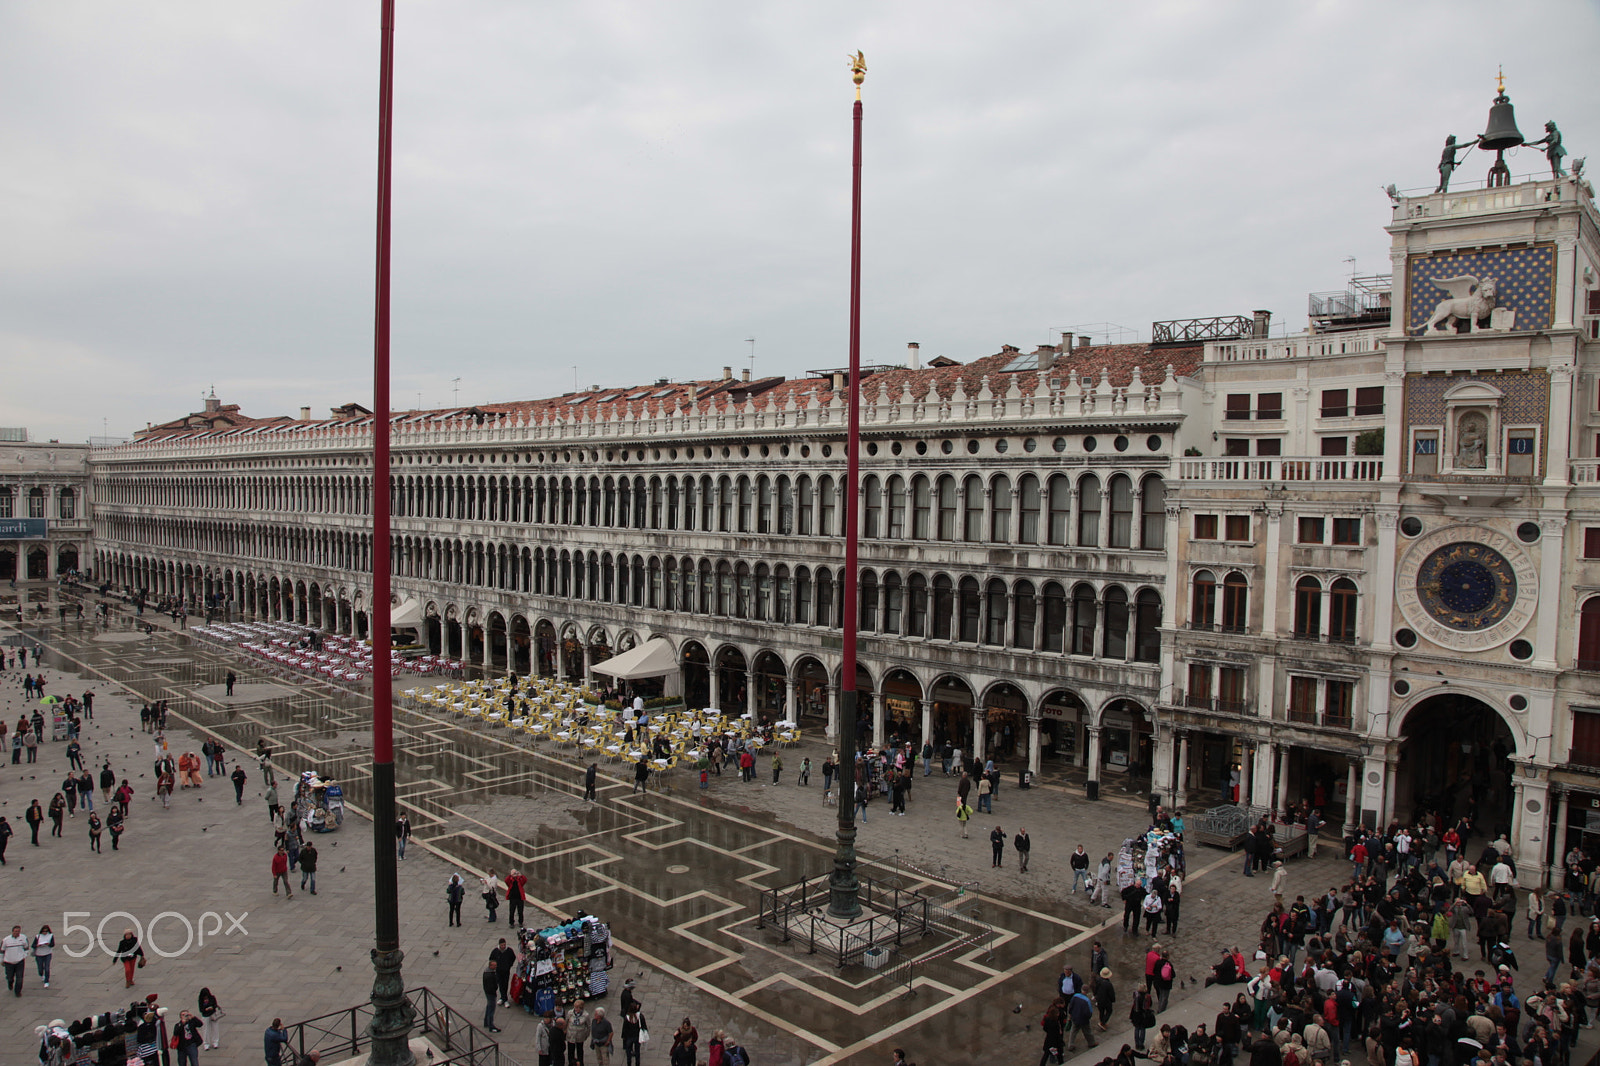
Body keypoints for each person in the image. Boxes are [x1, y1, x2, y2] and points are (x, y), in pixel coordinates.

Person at [2, 925, 27, 997]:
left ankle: (17, 991)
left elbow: (26, 947)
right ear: (12, 931)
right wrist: (2, 960)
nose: (17, 933)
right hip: (9, 962)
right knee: (10, 976)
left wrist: (24, 955)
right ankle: (10, 983)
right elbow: (2, 951)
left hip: (19, 962)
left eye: (18, 931)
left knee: (19, 977)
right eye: (15, 931)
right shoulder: (6, 940)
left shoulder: (23, 938)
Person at [491, 938, 516, 1007]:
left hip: (506, 971)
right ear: (499, 945)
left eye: (504, 945)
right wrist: (494, 967)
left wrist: (509, 965)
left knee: (505, 984)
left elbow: (513, 957)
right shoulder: (495, 951)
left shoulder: (509, 950)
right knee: (500, 984)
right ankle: (504, 998)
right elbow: (491, 958)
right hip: (498, 971)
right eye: (502, 945)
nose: (503, 946)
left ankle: (504, 998)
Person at [567, 999, 591, 1065]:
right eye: (575, 1007)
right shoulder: (570, 1013)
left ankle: (580, 1063)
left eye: (578, 1008)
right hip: (571, 1034)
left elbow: (588, 1026)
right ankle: (571, 1063)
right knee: (570, 1050)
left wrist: (586, 1034)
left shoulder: (586, 1015)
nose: (576, 1009)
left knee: (579, 1050)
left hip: (580, 1035)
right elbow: (567, 1022)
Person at [481, 957, 502, 1032]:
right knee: (491, 1009)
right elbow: (492, 986)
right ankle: (491, 1026)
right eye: (494, 965)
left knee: (489, 1006)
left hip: (488, 992)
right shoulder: (490, 975)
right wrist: (495, 990)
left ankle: (486, 1022)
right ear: (490, 966)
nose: (496, 966)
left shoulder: (487, 972)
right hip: (491, 993)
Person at [32, 924, 53, 988]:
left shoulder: (50, 936)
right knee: (40, 968)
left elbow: (53, 944)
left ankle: (46, 981)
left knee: (47, 968)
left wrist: (48, 944)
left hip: (47, 953)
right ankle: (41, 975)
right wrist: (37, 945)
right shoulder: (38, 936)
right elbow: (33, 945)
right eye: (44, 931)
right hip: (39, 954)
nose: (45, 933)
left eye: (46, 931)